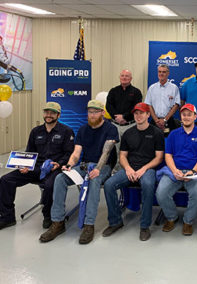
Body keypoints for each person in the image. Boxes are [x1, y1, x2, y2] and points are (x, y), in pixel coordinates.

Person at [39, 100, 119, 244]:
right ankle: (57, 222)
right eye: (90, 112)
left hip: (103, 166)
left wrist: (97, 169)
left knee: (94, 180)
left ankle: (89, 225)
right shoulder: (83, 129)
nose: (92, 115)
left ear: (102, 113)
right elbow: (77, 152)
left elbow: (106, 153)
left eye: (95, 112)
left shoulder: (110, 129)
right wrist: (69, 165)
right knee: (60, 178)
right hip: (84, 166)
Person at [0, 102, 74, 230]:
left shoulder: (66, 131)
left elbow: (69, 153)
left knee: (50, 184)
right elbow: (29, 153)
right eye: (46, 112)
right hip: (35, 168)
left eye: (52, 113)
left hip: (54, 168)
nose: (48, 115)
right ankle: (7, 217)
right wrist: (24, 165)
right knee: (6, 180)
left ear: (58, 115)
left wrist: (59, 164)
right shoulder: (36, 131)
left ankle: (48, 216)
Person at [102, 102, 164, 241]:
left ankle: (144, 226)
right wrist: (129, 169)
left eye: (141, 113)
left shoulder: (156, 133)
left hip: (148, 169)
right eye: (136, 113)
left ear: (148, 115)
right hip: (129, 168)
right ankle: (115, 221)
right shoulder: (128, 133)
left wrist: (143, 169)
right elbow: (122, 156)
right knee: (109, 185)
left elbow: (159, 158)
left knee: (148, 185)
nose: (138, 116)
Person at [156, 104, 197, 235]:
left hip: (195, 173)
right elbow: (168, 155)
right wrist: (174, 171)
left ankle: (188, 221)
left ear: (195, 117)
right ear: (180, 116)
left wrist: (192, 172)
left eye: (189, 114)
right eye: (184, 114)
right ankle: (171, 217)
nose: (186, 117)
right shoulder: (173, 134)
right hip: (175, 171)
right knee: (161, 193)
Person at [106, 69, 142, 165]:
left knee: (131, 149)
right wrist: (117, 117)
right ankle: (117, 171)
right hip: (115, 126)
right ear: (119, 77)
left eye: (127, 76)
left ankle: (130, 169)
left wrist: (124, 117)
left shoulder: (136, 92)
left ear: (131, 78)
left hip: (130, 125)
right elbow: (108, 106)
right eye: (122, 75)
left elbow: (136, 107)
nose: (124, 78)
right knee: (116, 150)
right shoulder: (113, 91)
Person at [145, 64, 180, 134]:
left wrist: (165, 119)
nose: (161, 74)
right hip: (155, 121)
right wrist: (156, 120)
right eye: (159, 71)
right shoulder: (152, 88)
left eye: (164, 72)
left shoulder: (174, 88)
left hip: (169, 121)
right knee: (154, 143)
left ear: (168, 73)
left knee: (169, 142)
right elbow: (149, 105)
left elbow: (176, 105)